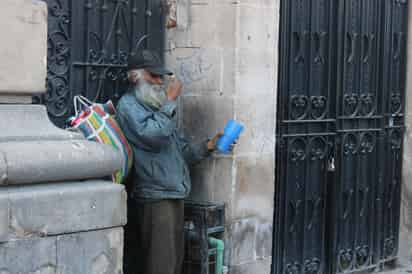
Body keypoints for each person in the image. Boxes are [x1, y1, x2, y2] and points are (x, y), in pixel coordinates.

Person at [116, 49, 223, 274]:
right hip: (155, 196)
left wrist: (208, 146)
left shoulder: (159, 107)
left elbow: (180, 151)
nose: (160, 81)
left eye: (161, 76)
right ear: (135, 77)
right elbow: (154, 137)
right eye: (153, 76)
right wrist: (171, 101)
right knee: (161, 265)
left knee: (175, 263)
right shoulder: (128, 106)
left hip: (174, 192)